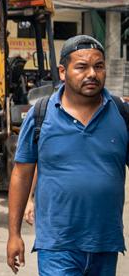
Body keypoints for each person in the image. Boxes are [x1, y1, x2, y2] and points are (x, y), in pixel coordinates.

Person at [7, 35, 127, 276]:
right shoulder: (41, 114)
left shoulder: (121, 113)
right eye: (82, 67)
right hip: (57, 245)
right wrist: (14, 234)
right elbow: (21, 175)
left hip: (105, 242)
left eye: (99, 66)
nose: (92, 73)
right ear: (63, 71)